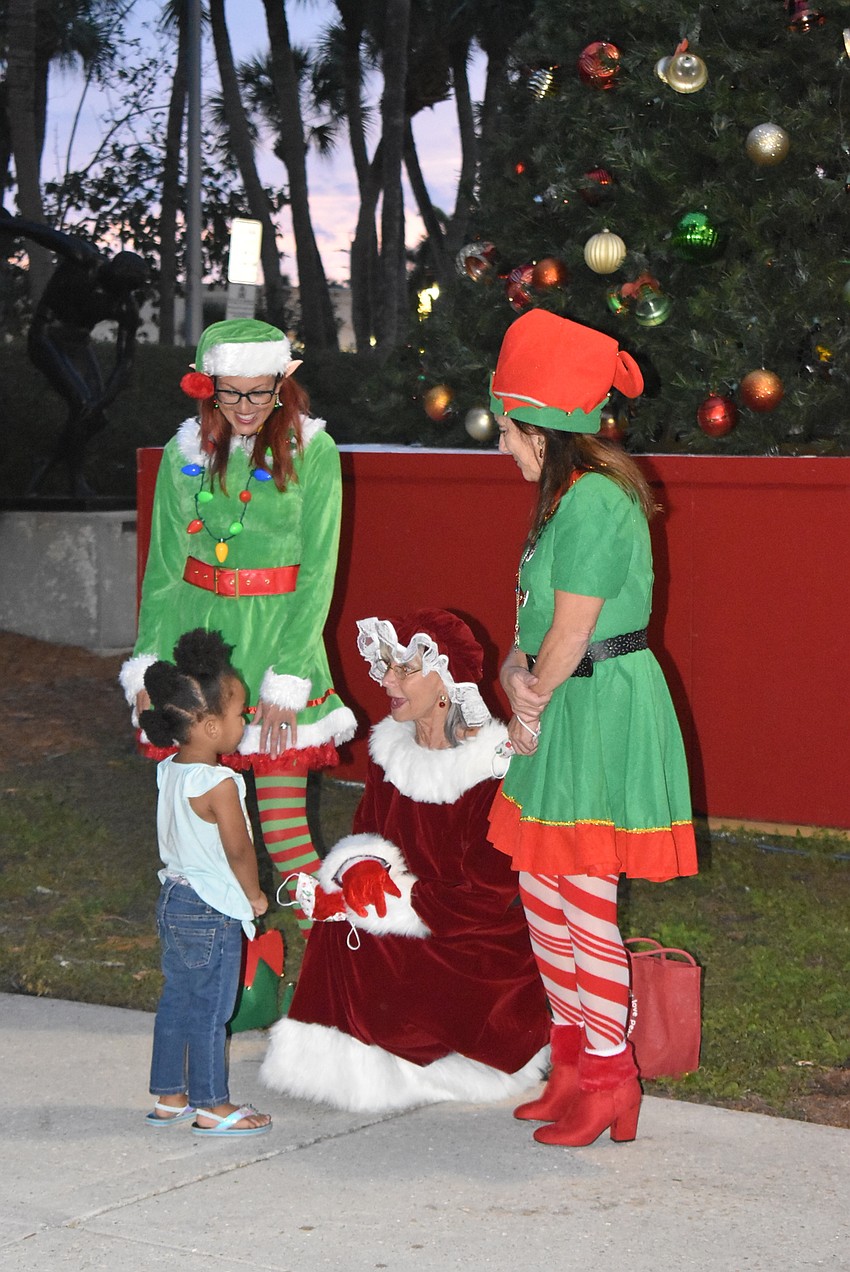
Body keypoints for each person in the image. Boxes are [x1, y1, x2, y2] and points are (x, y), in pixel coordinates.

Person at [487, 308, 698, 1147]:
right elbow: (534, 621)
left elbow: (574, 634)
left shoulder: (597, 504)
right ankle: (572, 1060)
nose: (501, 445)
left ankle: (612, 1076)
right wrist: (512, 673)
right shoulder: (562, 500)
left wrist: (529, 700)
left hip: (600, 704)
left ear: (542, 429)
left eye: (507, 430)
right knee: (543, 893)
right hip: (562, 699)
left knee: (582, 896)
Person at [259, 609, 551, 1113]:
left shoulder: (495, 768)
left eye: (403, 669)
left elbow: (489, 896)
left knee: (370, 931)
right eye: (384, 666)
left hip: (476, 940)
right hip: (415, 909)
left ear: (445, 681)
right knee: (340, 924)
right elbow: (364, 836)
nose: (386, 680)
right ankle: (350, 1064)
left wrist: (394, 900)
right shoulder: (389, 751)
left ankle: (441, 1061)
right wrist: (357, 871)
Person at [120, 318, 356, 928]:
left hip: (277, 641)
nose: (248, 406)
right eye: (232, 392)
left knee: (285, 836)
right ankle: (224, 961)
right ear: (208, 386)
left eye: (261, 390)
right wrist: (148, 664)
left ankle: (336, 965)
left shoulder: (314, 450)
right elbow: (165, 569)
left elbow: (318, 571)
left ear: (283, 382)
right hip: (198, 649)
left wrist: (290, 677)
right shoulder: (184, 453)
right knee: (198, 832)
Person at [141, 627, 272, 1137]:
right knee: (212, 1011)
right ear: (211, 726)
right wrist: (254, 896)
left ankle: (170, 1095)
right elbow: (239, 849)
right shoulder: (219, 783)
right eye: (241, 712)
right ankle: (213, 1104)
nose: (248, 719)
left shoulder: (171, 770)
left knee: (177, 999)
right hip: (211, 908)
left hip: (173, 899)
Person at [0, 209, 146, 496]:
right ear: (110, 273)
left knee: (95, 415)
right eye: (116, 288)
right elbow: (41, 234)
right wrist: (7, 224)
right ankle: (74, 477)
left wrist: (104, 399)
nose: (116, 297)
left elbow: (125, 362)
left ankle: (50, 462)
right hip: (47, 335)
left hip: (78, 345)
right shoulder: (84, 258)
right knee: (82, 404)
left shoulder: (125, 305)